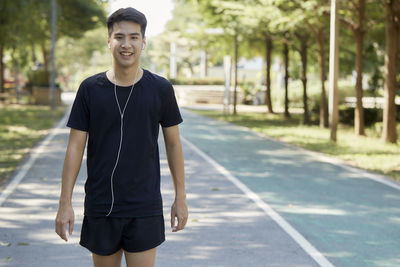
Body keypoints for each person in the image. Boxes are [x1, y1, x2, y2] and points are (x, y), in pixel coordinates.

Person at [55, 7, 188, 267]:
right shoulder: (90, 89)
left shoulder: (160, 89)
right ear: (108, 41)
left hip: (144, 206)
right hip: (101, 205)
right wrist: (65, 204)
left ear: (143, 42)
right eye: (119, 37)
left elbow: (173, 144)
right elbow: (74, 148)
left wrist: (180, 198)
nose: (126, 44)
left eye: (134, 37)